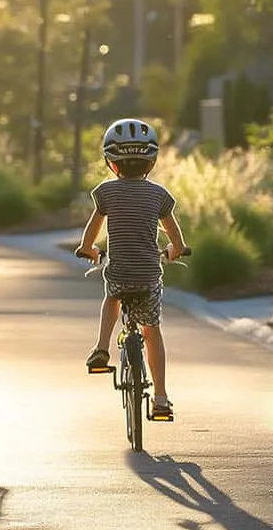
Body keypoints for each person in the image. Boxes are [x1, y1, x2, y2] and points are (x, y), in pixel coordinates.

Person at [77, 118, 190, 421]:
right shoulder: (159, 196)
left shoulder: (106, 194)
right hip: (148, 274)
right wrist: (175, 251)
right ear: (151, 161)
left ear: (111, 162)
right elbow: (175, 236)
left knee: (112, 298)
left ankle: (101, 349)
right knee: (152, 332)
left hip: (120, 271)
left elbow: (90, 233)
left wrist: (88, 250)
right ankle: (162, 398)